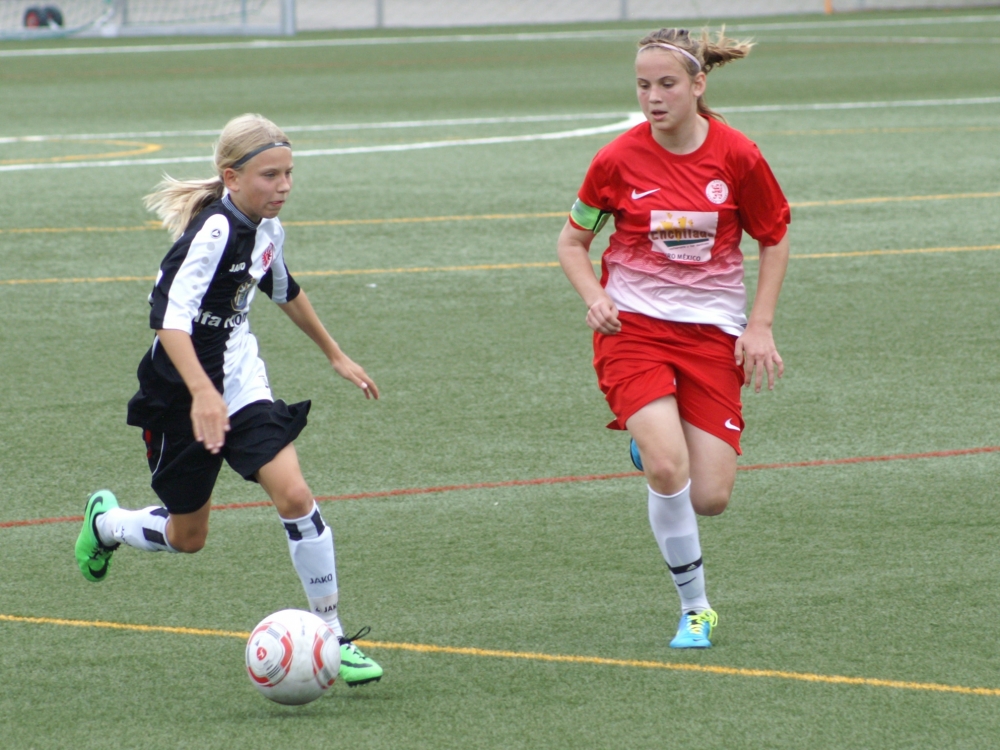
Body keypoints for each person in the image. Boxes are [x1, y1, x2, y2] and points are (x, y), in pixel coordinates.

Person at [74, 113, 384, 686]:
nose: (283, 186)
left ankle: (332, 634)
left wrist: (335, 354)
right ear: (231, 177)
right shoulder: (213, 232)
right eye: (270, 175)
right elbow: (169, 320)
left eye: (289, 173)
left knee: (294, 494)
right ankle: (108, 523)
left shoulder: (268, 230)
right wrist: (201, 393)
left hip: (241, 383)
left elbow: (284, 289)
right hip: (178, 393)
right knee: (187, 537)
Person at [556, 29, 790, 648]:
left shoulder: (738, 156)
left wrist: (760, 326)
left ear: (697, 84)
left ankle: (656, 445)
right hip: (632, 329)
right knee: (667, 466)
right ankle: (695, 608)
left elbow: (773, 237)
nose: (653, 97)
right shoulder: (616, 160)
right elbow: (572, 241)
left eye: (666, 84)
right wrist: (595, 296)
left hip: (711, 333)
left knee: (710, 497)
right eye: (642, 85)